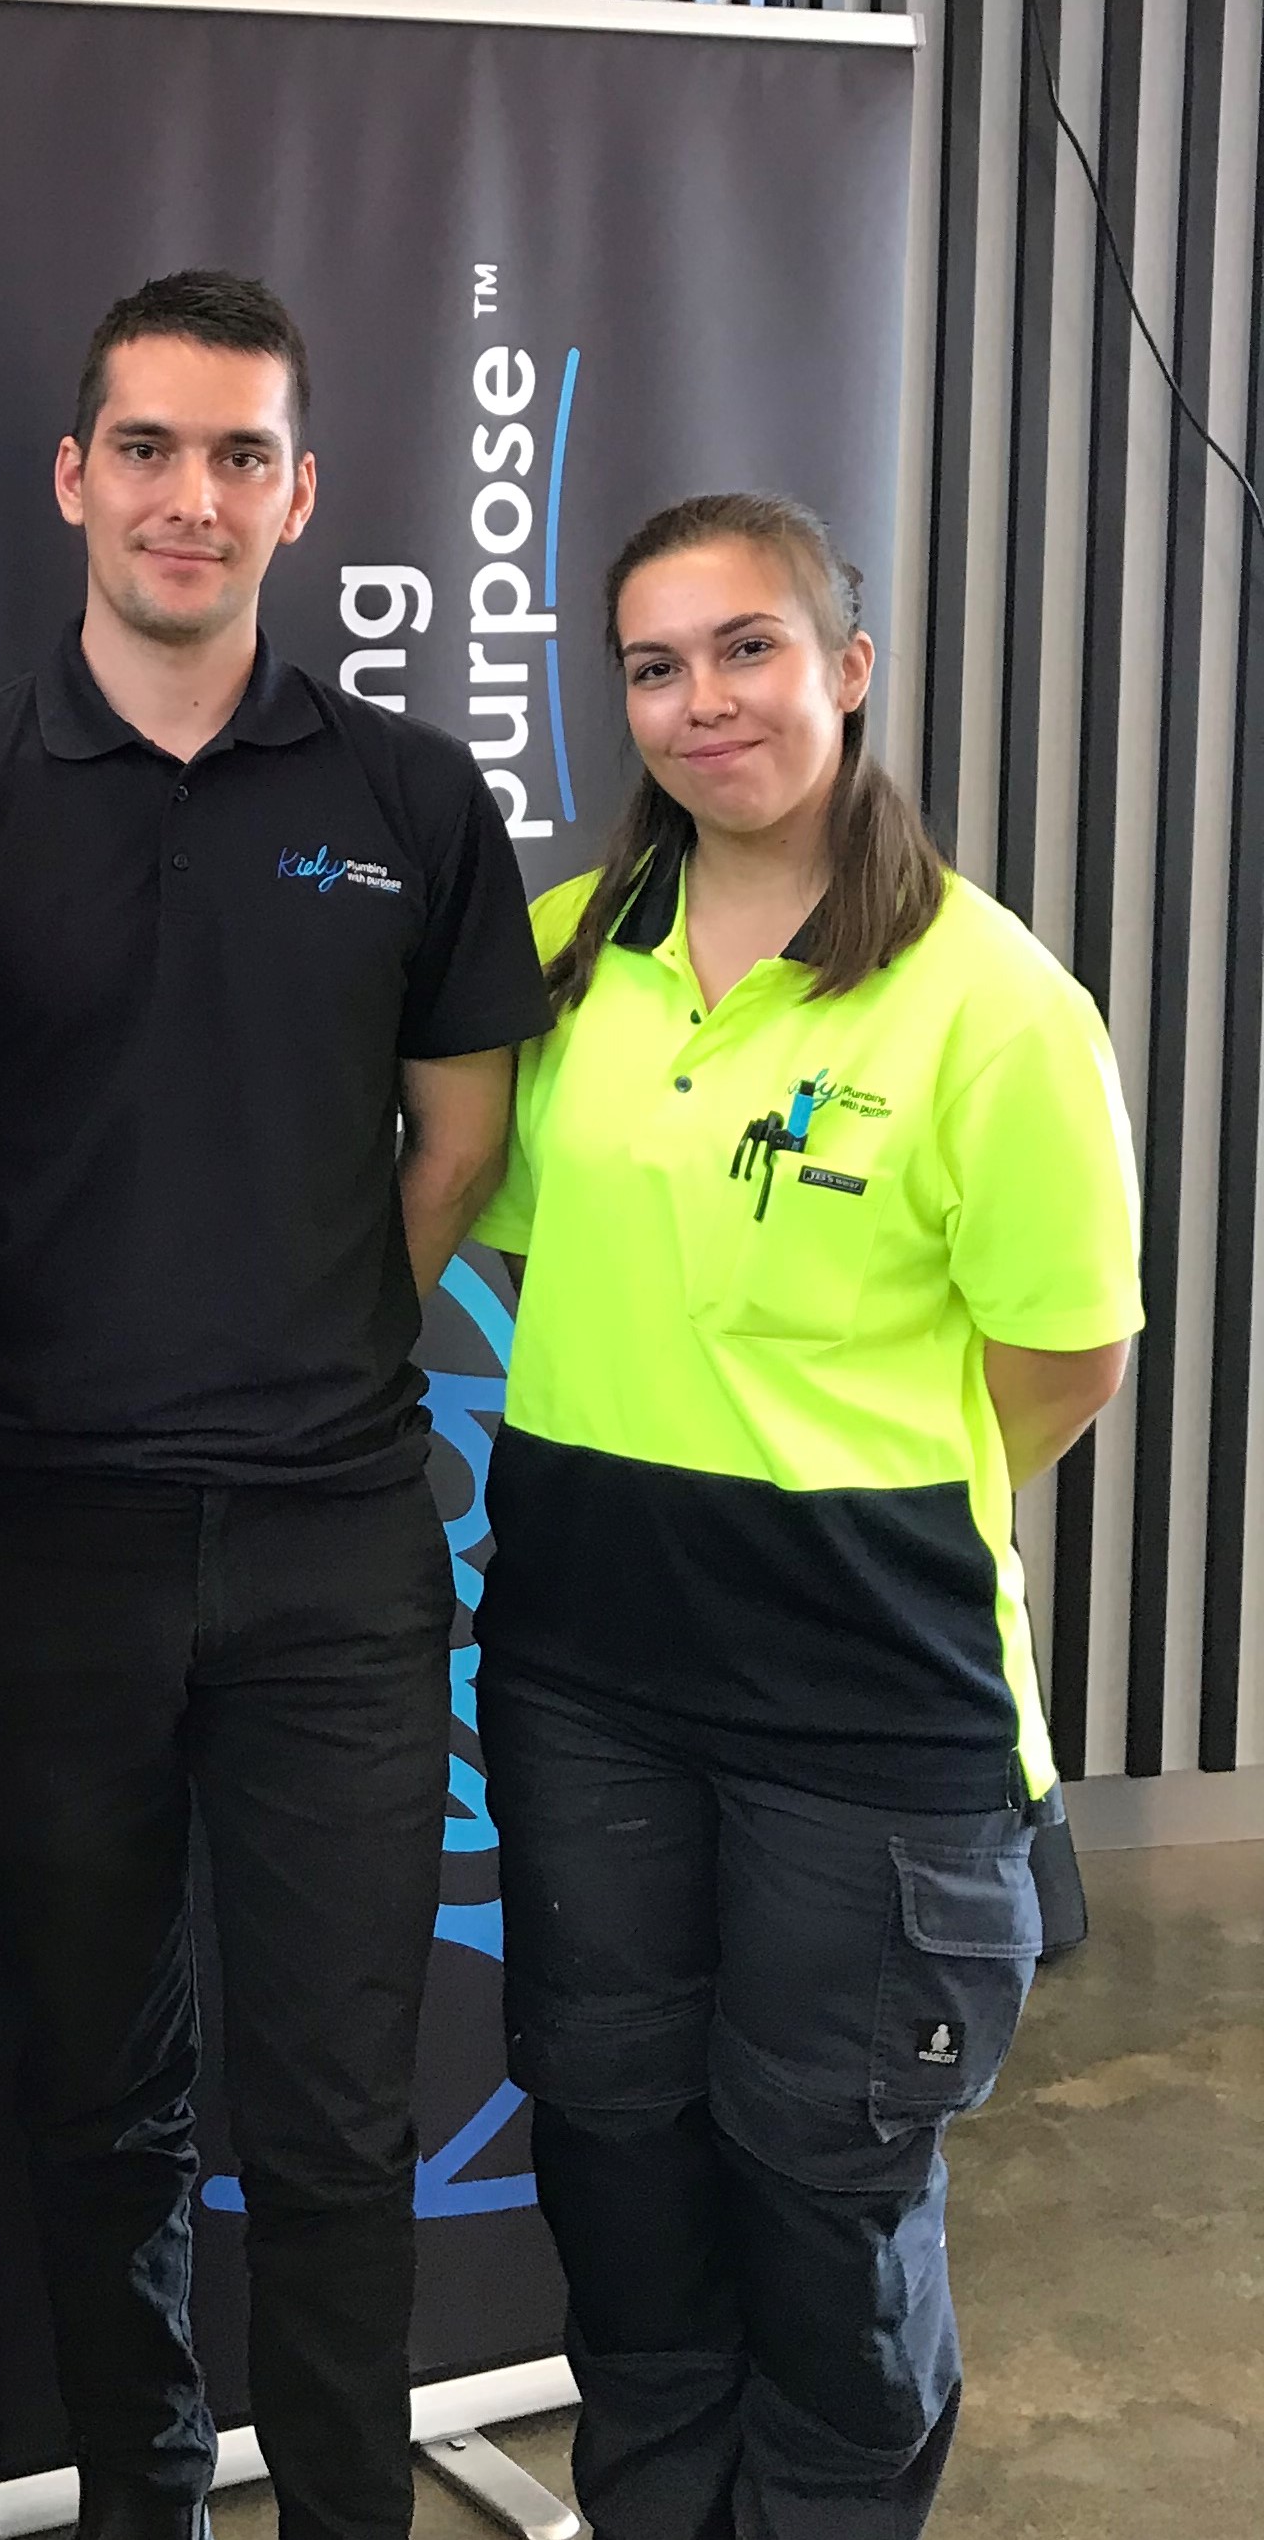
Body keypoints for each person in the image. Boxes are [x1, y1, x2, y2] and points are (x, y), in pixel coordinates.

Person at [0, 271, 552, 2540]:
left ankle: (342, 2510)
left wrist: (301, 1332)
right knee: (93, 2101)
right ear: (73, 477)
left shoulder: (415, 800)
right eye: (148, 447)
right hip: (41, 1552)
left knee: (330, 2115)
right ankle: (134, 2506)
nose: (190, 497)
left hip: (333, 1553)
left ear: (302, 494)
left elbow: (458, 1138)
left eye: (240, 456)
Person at [472, 493, 1140, 2540]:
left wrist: (832, 1504)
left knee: (826, 2196)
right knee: (621, 2163)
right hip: (588, 1690)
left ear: (849, 666)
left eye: (748, 647)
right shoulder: (571, 953)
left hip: (866, 1712)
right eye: (656, 665)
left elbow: (1064, 1362)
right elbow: (496, 1218)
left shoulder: (990, 1004)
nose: (703, 702)